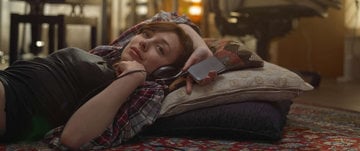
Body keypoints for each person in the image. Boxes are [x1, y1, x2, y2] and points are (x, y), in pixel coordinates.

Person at [0, 12, 214, 150]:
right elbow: (172, 18)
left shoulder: (148, 91)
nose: (144, 43)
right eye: (146, 35)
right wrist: (200, 45)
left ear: (167, 71)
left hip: (12, 104)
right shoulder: (113, 52)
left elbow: (73, 138)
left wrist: (134, 77)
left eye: (160, 48)